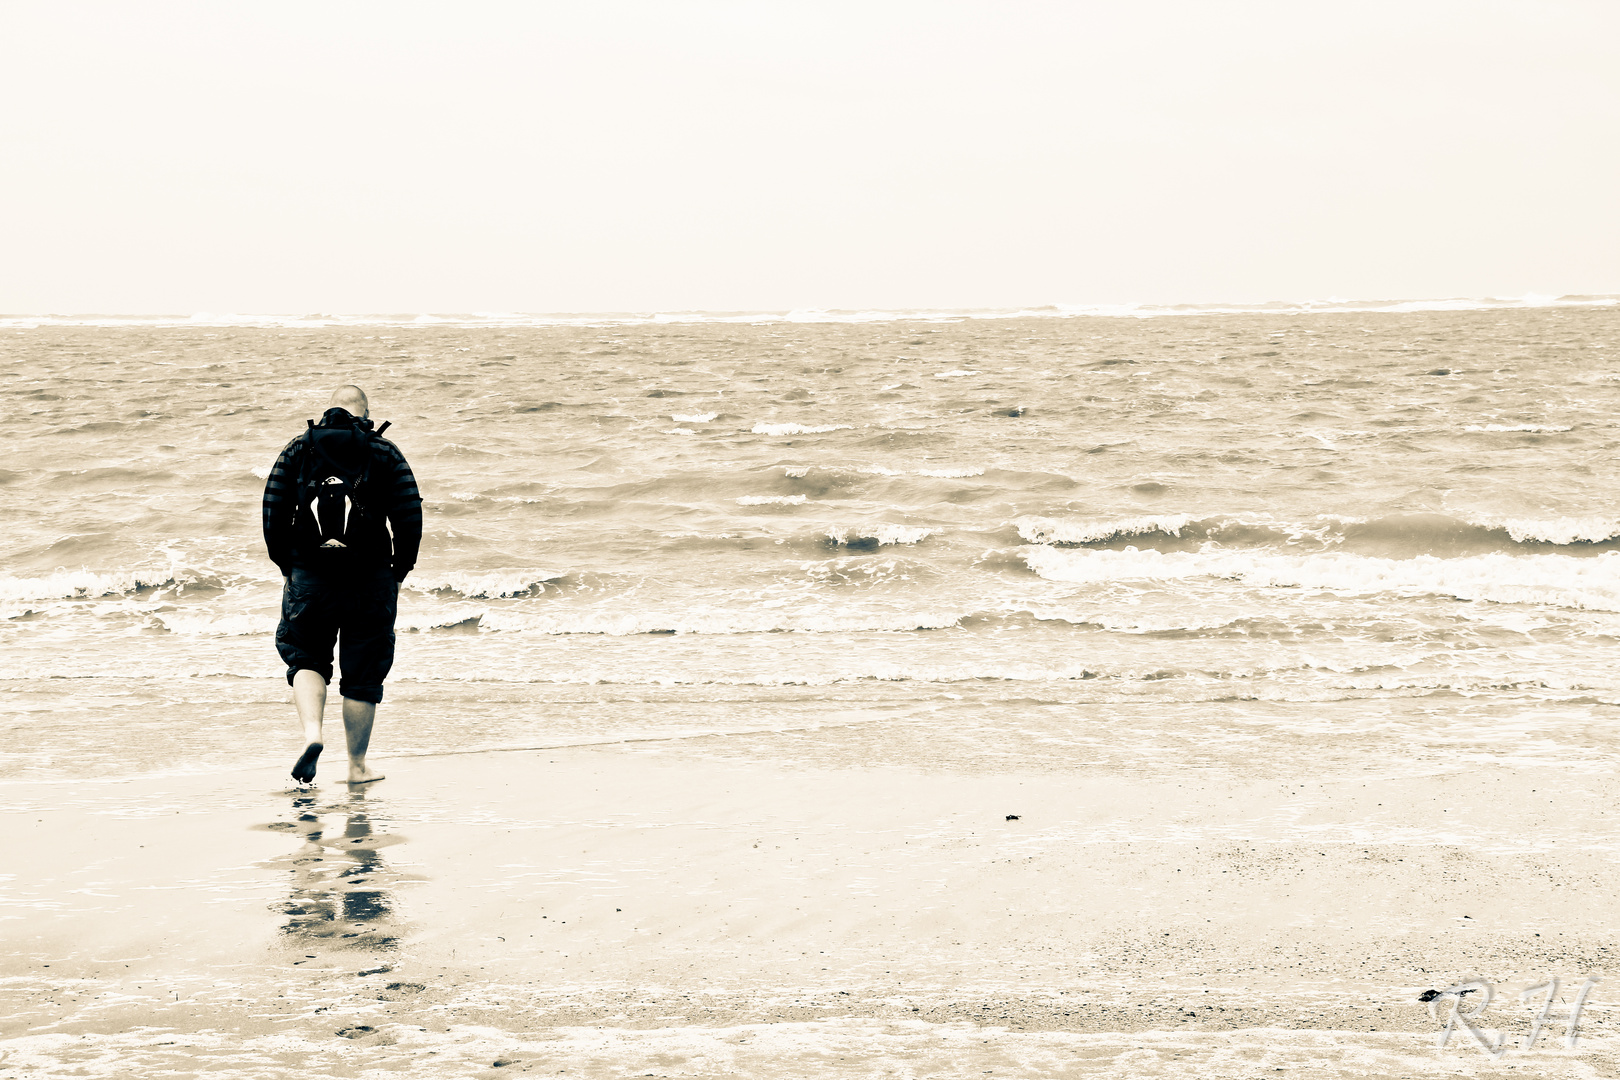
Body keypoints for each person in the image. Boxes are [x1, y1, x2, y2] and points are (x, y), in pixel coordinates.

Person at [262, 385, 422, 786]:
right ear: (365, 414)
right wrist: (398, 571)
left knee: (306, 657)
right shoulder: (384, 451)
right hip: (370, 580)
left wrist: (288, 566)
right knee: (363, 673)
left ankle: (313, 735)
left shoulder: (299, 449)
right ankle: (356, 766)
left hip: (309, 577)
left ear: (329, 410)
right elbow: (409, 516)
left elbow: (273, 510)